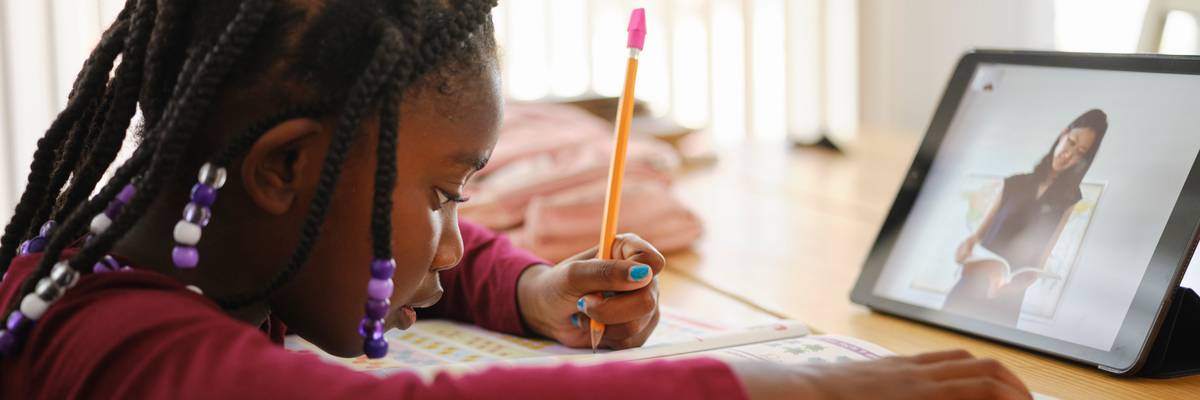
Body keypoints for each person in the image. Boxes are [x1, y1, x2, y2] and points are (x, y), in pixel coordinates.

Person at [0, 1, 1031, 398]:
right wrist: (789, 387)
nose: (454, 246)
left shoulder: (189, 223)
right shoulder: (111, 342)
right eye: (446, 193)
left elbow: (394, 245)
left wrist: (529, 286)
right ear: (283, 169)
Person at [946, 109, 1108, 326]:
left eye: (1080, 152)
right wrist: (964, 252)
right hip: (969, 289)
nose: (1068, 155)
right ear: (1063, 134)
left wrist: (1009, 288)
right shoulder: (1013, 183)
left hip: (1007, 301)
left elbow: (1038, 264)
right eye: (1070, 142)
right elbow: (974, 240)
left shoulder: (1069, 200)